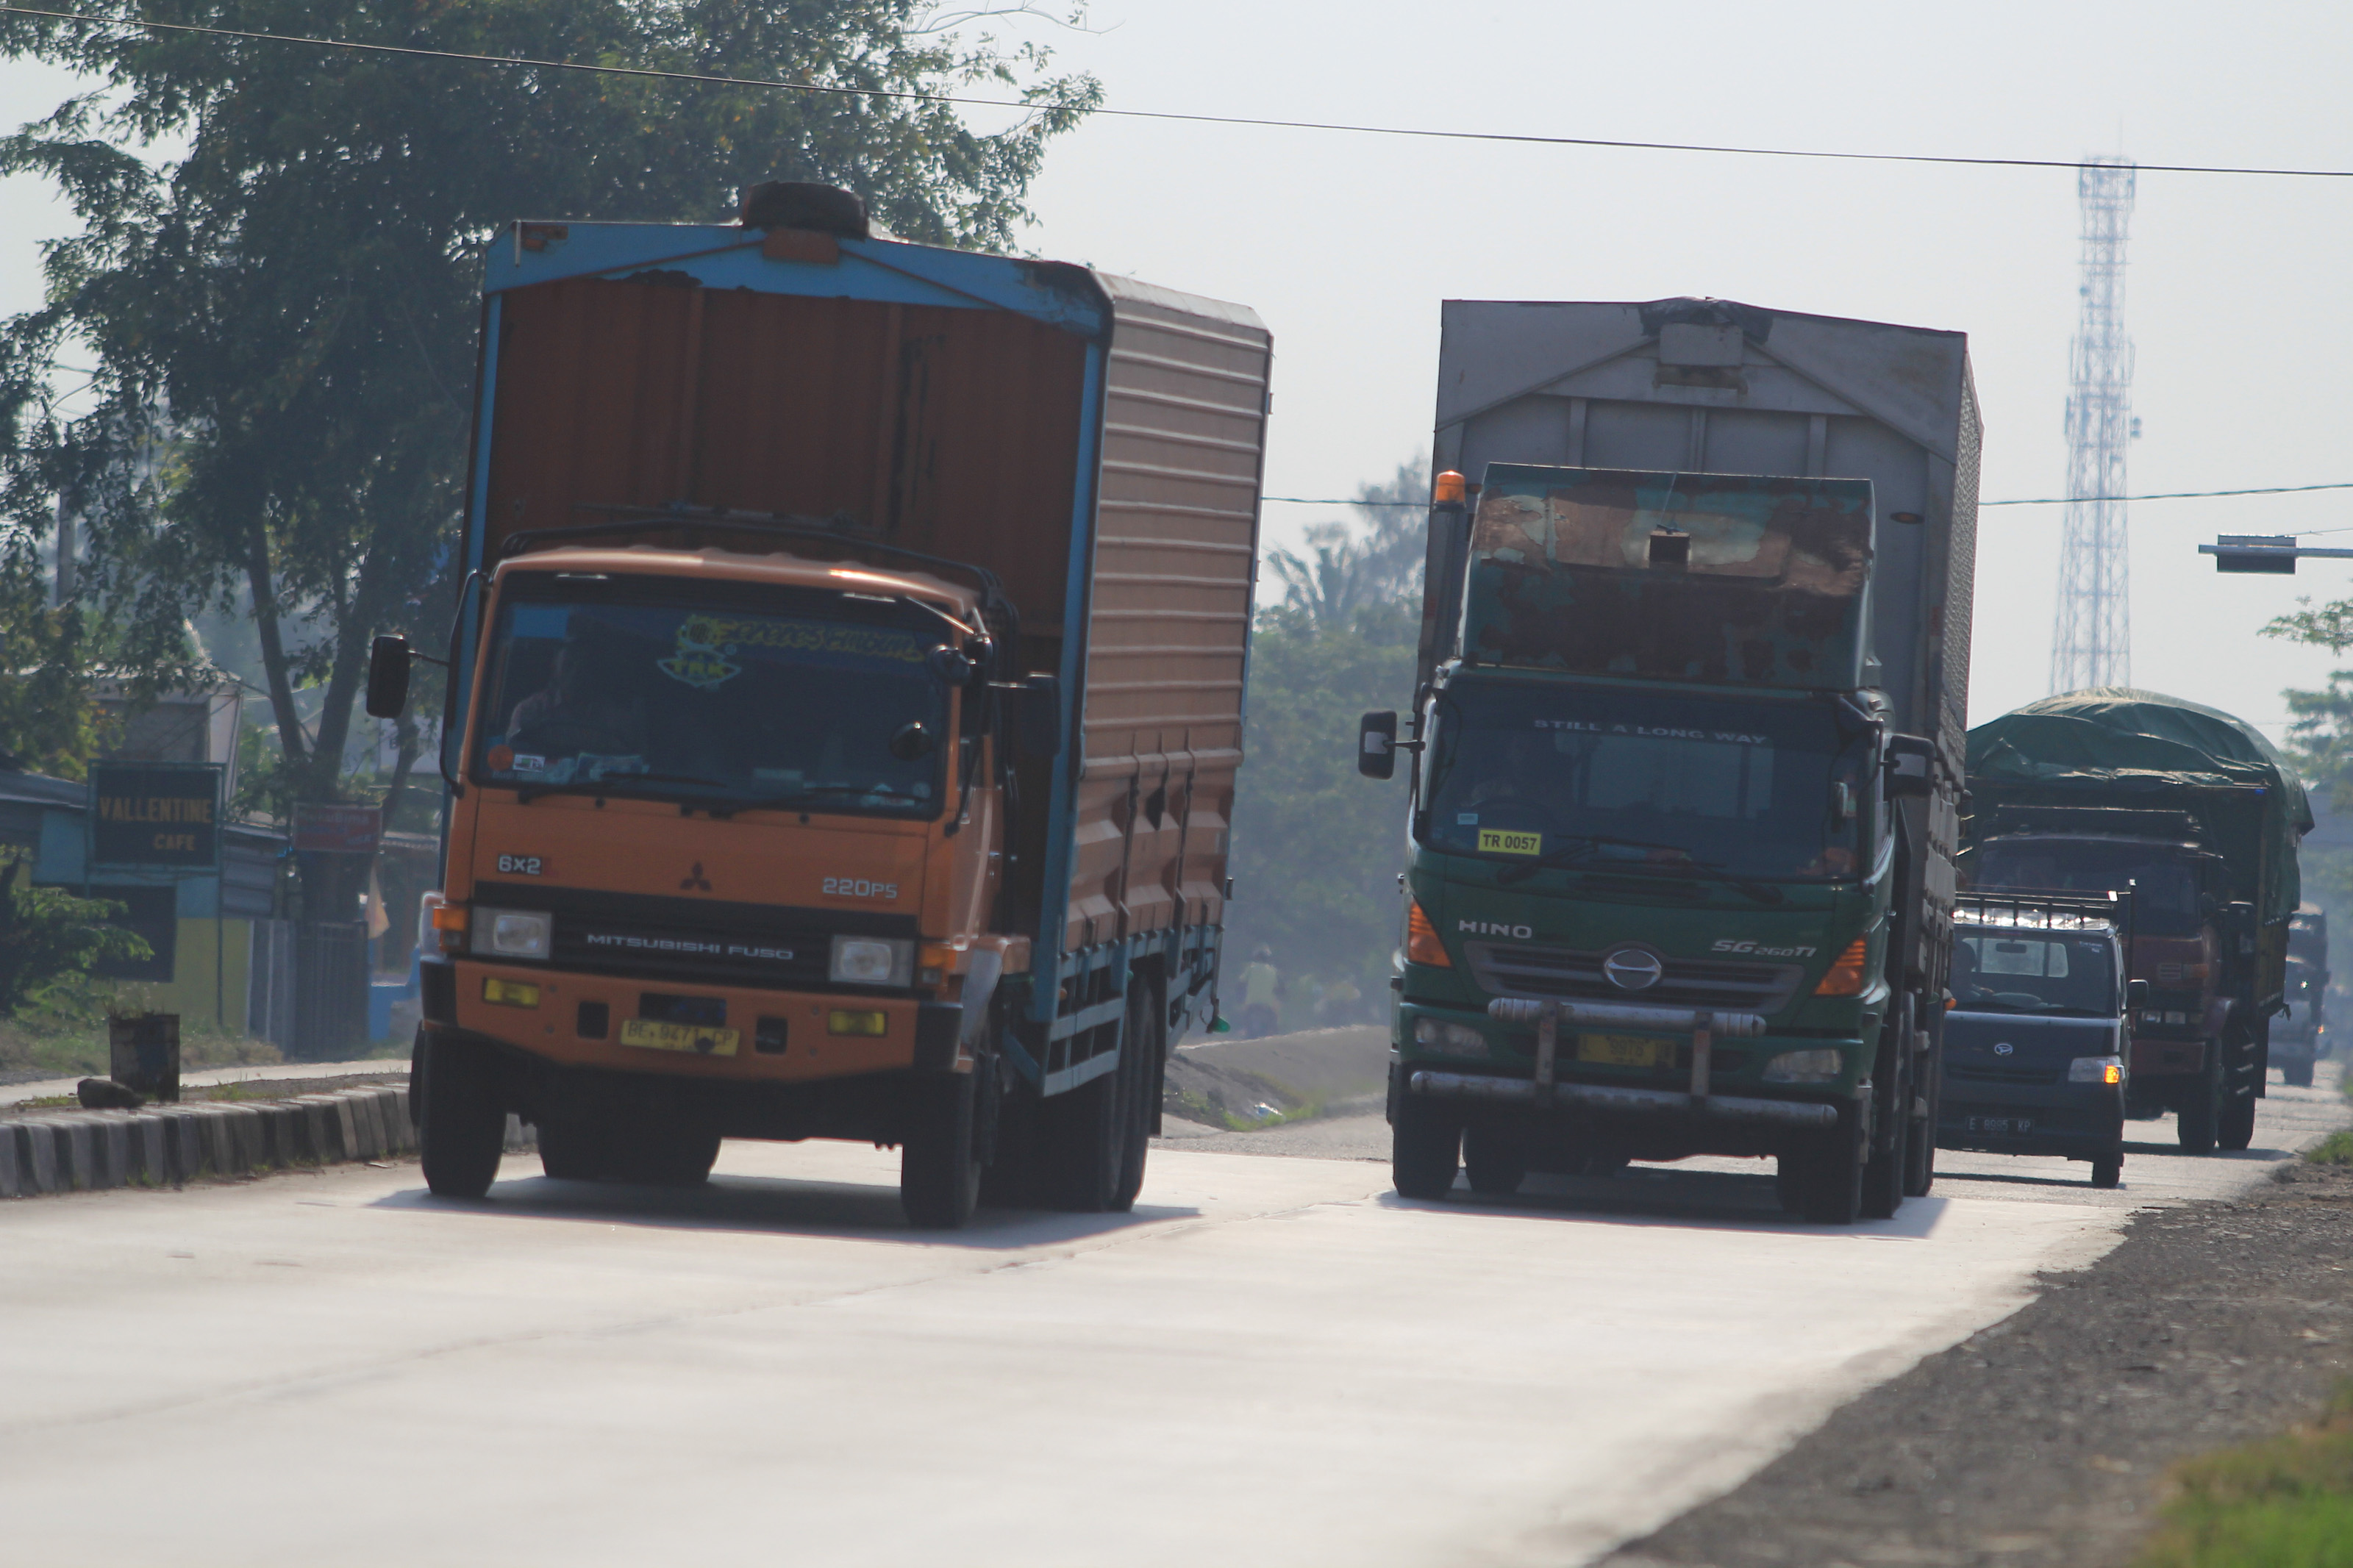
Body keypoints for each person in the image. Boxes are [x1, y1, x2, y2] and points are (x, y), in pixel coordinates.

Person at [1238, 946, 1282, 1039]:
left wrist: (1240, 997)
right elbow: (1278, 988)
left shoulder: (1250, 968)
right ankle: (1274, 1031)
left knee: (1244, 1014)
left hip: (1251, 1001)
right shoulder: (1273, 971)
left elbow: (1241, 983)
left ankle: (1245, 1029)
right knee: (1275, 1017)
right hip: (1267, 1003)